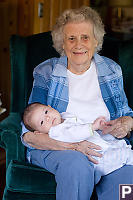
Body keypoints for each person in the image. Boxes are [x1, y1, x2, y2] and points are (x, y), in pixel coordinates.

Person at [21, 6, 133, 200]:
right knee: (77, 164)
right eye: (71, 38)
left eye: (85, 37)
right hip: (58, 145)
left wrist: (125, 125)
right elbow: (31, 129)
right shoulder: (46, 72)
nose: (78, 44)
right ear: (62, 43)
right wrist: (74, 146)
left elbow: (127, 115)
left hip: (105, 146)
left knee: (127, 183)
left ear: (96, 41)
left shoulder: (112, 70)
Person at [23, 102, 133, 176]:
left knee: (123, 150)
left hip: (102, 146)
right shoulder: (55, 132)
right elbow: (73, 134)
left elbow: (81, 126)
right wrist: (93, 126)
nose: (47, 118)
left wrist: (98, 127)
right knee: (125, 156)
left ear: (50, 107)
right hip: (97, 157)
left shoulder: (66, 116)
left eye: (46, 112)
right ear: (39, 132)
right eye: (42, 122)